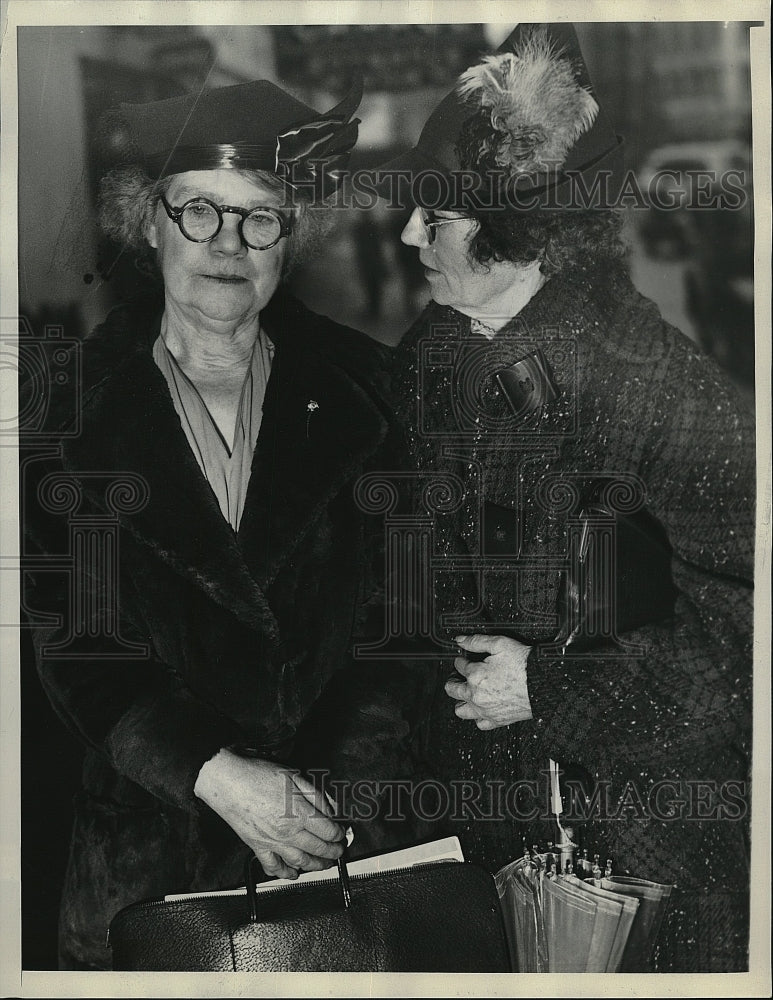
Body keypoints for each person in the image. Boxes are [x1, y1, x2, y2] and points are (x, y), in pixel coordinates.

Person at [376, 23, 755, 972]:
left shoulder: (662, 386)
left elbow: (748, 647)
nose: (408, 234)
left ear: (523, 232)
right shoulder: (431, 356)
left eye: (438, 215)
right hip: (486, 852)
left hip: (647, 870)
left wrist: (546, 686)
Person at [20, 78, 399, 970]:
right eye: (198, 212)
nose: (227, 245)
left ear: (290, 235)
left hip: (337, 847)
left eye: (259, 218)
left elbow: (407, 622)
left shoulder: (372, 393)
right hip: (152, 861)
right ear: (148, 222)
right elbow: (76, 644)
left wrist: (321, 798)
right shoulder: (62, 410)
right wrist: (218, 775)